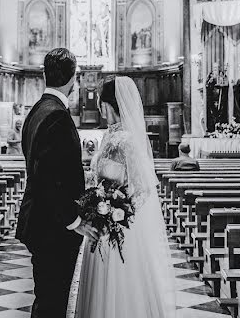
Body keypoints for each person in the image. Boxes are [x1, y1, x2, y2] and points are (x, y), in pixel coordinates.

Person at [74, 76, 175, 317]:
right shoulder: (109, 135)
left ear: (107, 103)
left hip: (119, 228)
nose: (98, 104)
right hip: (101, 224)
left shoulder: (127, 140)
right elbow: (98, 179)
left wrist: (118, 210)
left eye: (100, 99)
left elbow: (144, 187)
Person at [17, 48, 97, 318]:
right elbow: (50, 179)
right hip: (52, 228)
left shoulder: (36, 111)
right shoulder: (57, 116)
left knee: (46, 300)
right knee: (52, 303)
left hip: (41, 222)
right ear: (73, 79)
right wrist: (73, 221)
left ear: (44, 74)